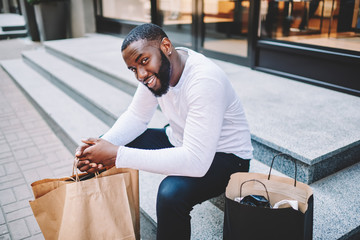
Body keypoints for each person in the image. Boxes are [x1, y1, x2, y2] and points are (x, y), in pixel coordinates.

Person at [75, 23, 253, 240]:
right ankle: (105, 230)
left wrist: (117, 155)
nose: (140, 75)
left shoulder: (204, 80)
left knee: (170, 193)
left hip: (227, 158)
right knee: (105, 145)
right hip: (179, 138)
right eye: (133, 69)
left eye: (143, 61)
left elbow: (196, 161)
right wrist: (99, 146)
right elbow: (137, 117)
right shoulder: (156, 72)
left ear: (166, 46)